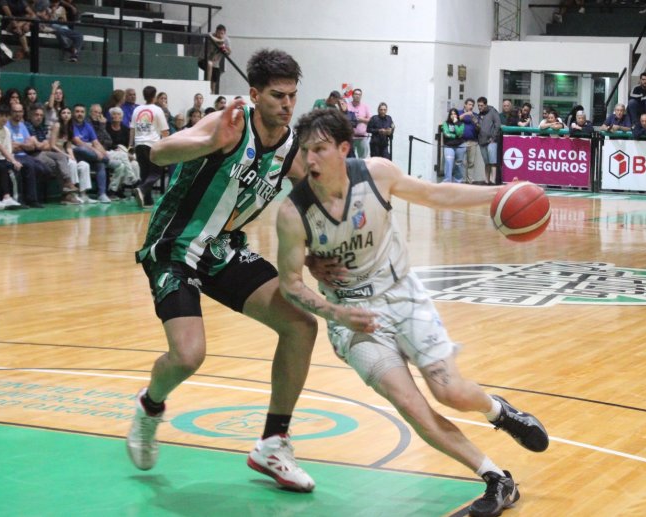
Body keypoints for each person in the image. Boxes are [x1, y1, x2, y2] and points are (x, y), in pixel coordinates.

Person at [276, 107, 548, 517]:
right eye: (305, 150)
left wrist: (502, 192)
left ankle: (499, 411)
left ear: (344, 148)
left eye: (320, 149)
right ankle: (496, 478)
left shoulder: (376, 174)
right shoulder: (293, 212)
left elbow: (436, 194)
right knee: (412, 406)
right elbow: (290, 284)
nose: (310, 159)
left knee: (450, 393)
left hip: (403, 297)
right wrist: (335, 313)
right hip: (353, 318)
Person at [126, 49, 319, 493]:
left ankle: (273, 443)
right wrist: (208, 143)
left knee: (301, 325)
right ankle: (150, 405)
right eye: (277, 95)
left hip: (222, 250)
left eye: (292, 95)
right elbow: (158, 154)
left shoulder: (290, 148)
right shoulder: (227, 123)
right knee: (188, 356)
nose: (287, 104)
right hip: (174, 247)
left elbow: (311, 196)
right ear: (254, 94)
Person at [131, 86, 169, 208]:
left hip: (138, 144)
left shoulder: (137, 110)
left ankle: (147, 201)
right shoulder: (158, 110)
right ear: (154, 97)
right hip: (152, 144)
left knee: (145, 173)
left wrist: (130, 145)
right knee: (157, 171)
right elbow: (165, 131)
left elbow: (132, 129)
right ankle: (142, 189)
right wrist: (167, 145)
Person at [476, 96, 501, 184]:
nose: (480, 107)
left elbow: (498, 125)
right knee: (486, 162)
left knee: (492, 161)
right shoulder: (479, 114)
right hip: (482, 141)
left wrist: (493, 137)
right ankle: (487, 180)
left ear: (486, 105)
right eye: (478, 106)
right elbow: (480, 128)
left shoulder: (493, 112)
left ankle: (493, 180)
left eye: (481, 105)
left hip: (491, 141)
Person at [440, 108, 465, 183]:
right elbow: (446, 134)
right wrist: (455, 136)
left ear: (457, 115)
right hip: (449, 146)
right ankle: (447, 181)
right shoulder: (446, 123)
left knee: (459, 164)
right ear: (449, 115)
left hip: (460, 146)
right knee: (449, 162)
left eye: (455, 114)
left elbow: (459, 133)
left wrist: (456, 123)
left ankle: (458, 181)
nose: (453, 115)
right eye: (451, 114)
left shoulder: (461, 124)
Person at [205, 24, 231, 95]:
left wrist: (224, 51)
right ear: (216, 32)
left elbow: (229, 51)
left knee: (214, 78)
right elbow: (210, 36)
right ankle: (207, 85)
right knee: (210, 65)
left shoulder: (226, 40)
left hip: (216, 62)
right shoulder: (211, 35)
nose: (220, 35)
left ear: (224, 33)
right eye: (218, 33)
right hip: (206, 58)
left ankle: (212, 92)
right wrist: (212, 37)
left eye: (222, 33)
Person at [347, 88, 371, 158]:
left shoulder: (365, 107)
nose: (357, 96)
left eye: (359, 95)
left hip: (362, 137)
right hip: (350, 137)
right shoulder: (347, 106)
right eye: (356, 94)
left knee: (363, 159)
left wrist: (362, 119)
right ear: (352, 95)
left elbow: (371, 120)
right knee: (350, 159)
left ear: (361, 96)